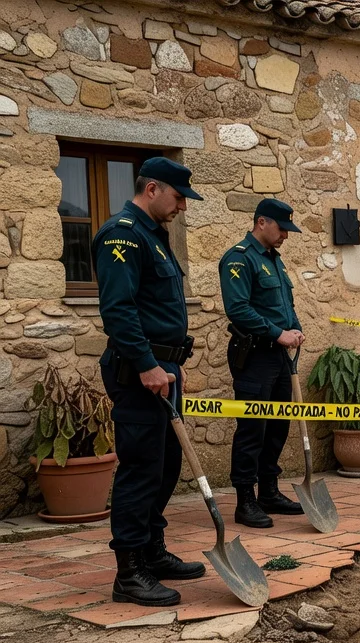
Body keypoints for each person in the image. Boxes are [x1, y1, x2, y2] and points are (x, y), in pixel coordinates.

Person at [95, 158, 205, 607]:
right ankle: (130, 572)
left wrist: (172, 363)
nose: (182, 206)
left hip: (163, 372)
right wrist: (146, 364)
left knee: (165, 467)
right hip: (139, 373)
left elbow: (158, 309)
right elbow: (118, 309)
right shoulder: (122, 234)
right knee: (141, 470)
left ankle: (152, 550)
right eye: (178, 197)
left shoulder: (153, 237)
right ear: (153, 188)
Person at [220, 198, 305, 529]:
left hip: (278, 356)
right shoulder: (239, 260)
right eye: (282, 228)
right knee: (253, 428)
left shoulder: (275, 261)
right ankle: (246, 501)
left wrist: (294, 328)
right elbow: (238, 309)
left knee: (278, 425)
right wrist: (278, 333)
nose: (286, 234)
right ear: (261, 223)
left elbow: (285, 303)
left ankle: (269, 491)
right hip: (254, 354)